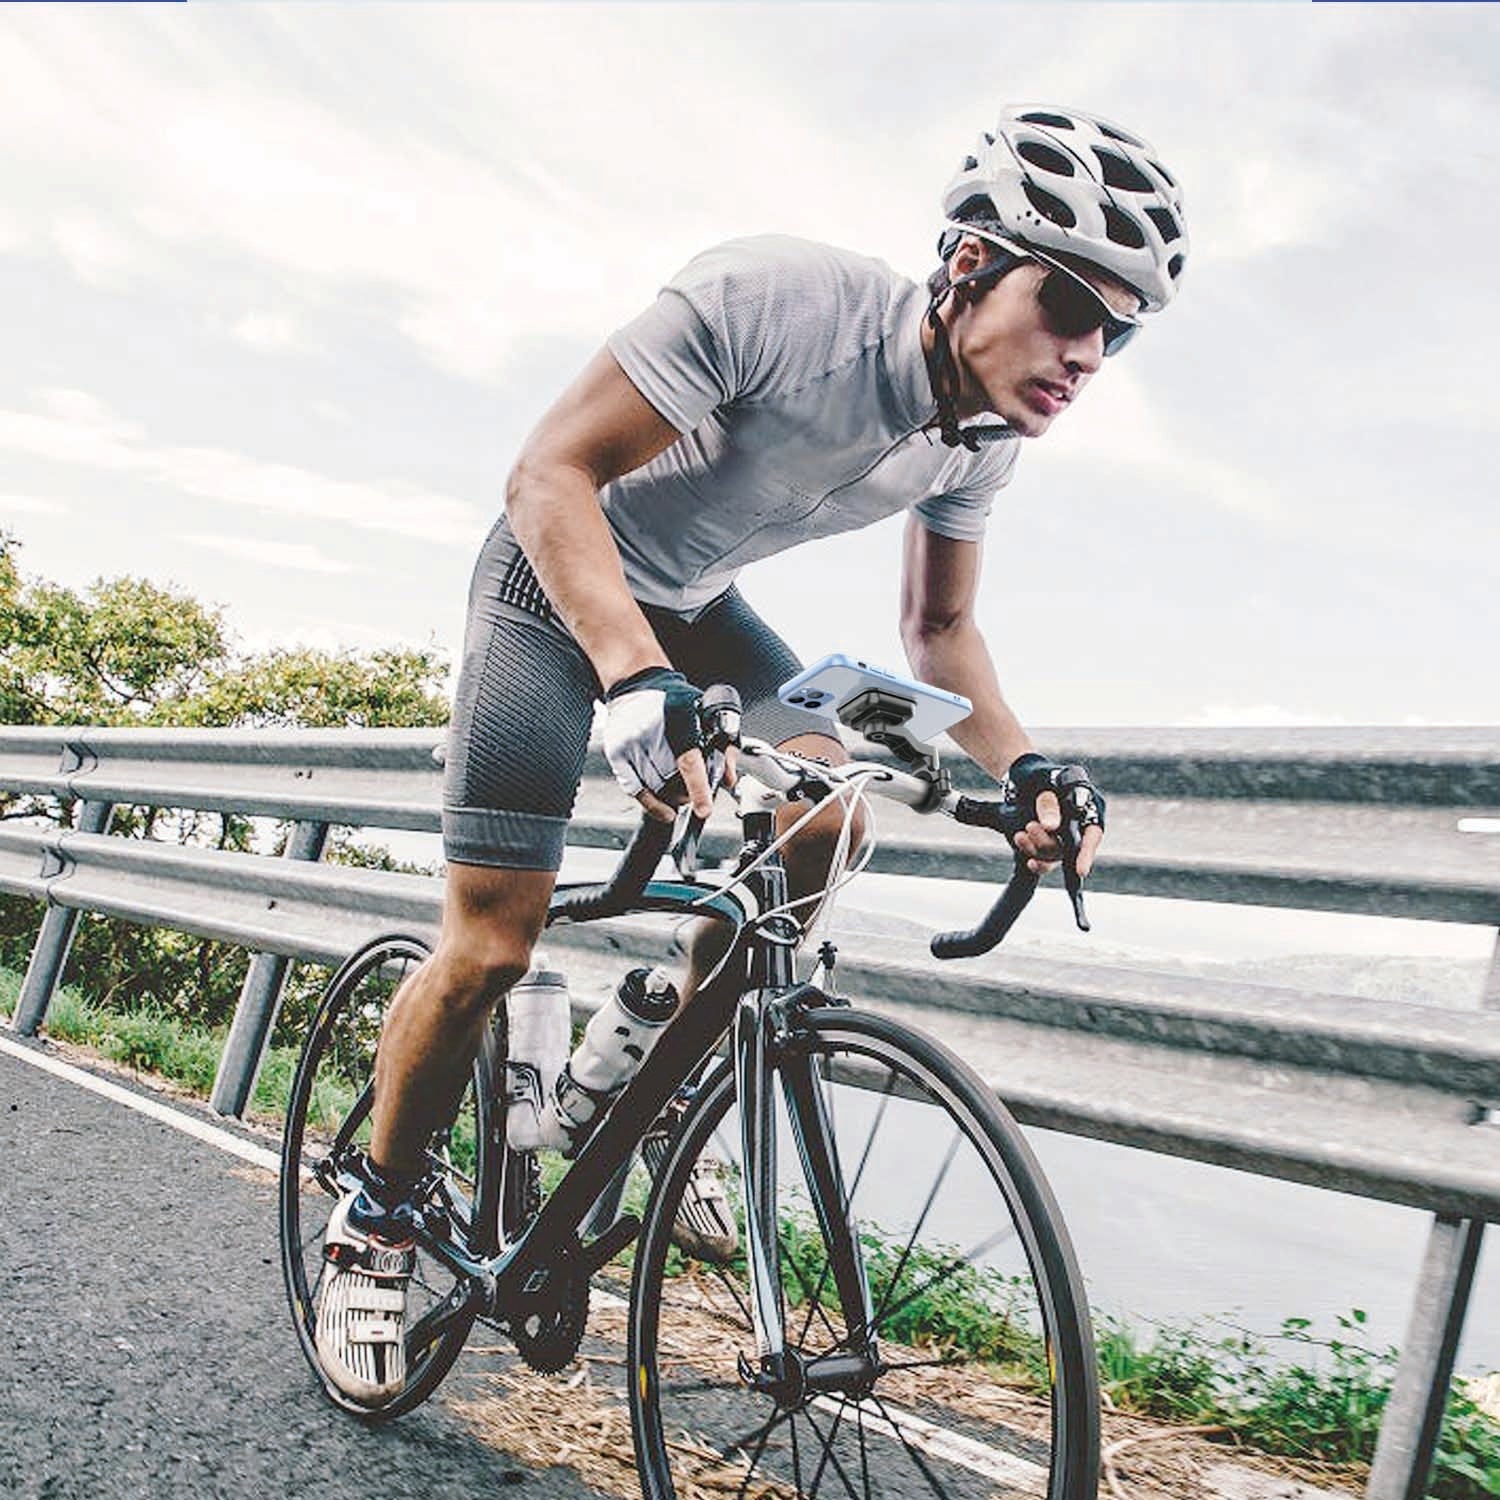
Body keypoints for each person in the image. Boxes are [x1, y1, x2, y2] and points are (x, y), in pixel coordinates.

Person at [314, 103, 1188, 1405]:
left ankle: (647, 1058)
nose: (1089, 350)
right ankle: (374, 1219)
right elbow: (548, 474)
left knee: (829, 818)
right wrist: (633, 679)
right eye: (1069, 302)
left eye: (1117, 331)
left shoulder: (980, 439)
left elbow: (939, 629)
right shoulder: (776, 300)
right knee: (495, 944)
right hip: (556, 585)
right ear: (964, 264)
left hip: (697, 610)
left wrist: (1024, 770)